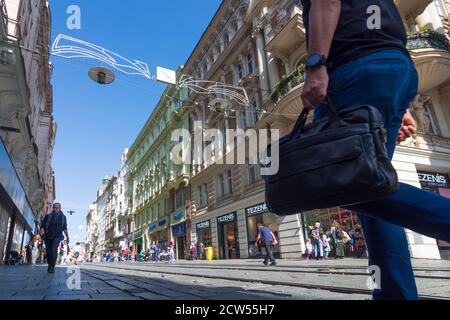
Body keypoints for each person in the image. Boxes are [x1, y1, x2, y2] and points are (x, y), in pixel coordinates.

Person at [299, 0, 450, 299]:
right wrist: (399, 102)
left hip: (353, 71)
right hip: (394, 69)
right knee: (371, 194)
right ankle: (392, 295)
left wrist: (315, 64)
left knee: (338, 180)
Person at [40, 203, 69, 273]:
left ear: (60, 208)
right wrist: (42, 232)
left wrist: (67, 237)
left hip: (58, 236)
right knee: (48, 251)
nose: (57, 209)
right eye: (55, 207)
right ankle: (50, 264)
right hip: (48, 236)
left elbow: (65, 228)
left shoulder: (63, 217)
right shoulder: (48, 216)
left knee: (53, 249)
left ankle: (52, 266)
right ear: (53, 208)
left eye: (58, 207)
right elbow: (43, 226)